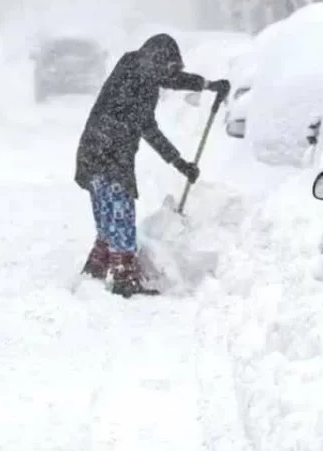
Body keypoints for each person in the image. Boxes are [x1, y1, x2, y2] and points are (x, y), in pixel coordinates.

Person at [74, 33, 230, 297]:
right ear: (157, 59)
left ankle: (96, 268)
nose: (169, 73)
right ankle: (124, 279)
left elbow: (169, 80)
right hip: (108, 154)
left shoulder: (138, 68)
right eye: (167, 65)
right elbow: (149, 128)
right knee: (121, 214)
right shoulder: (135, 75)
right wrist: (179, 162)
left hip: (95, 153)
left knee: (108, 216)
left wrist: (207, 84)